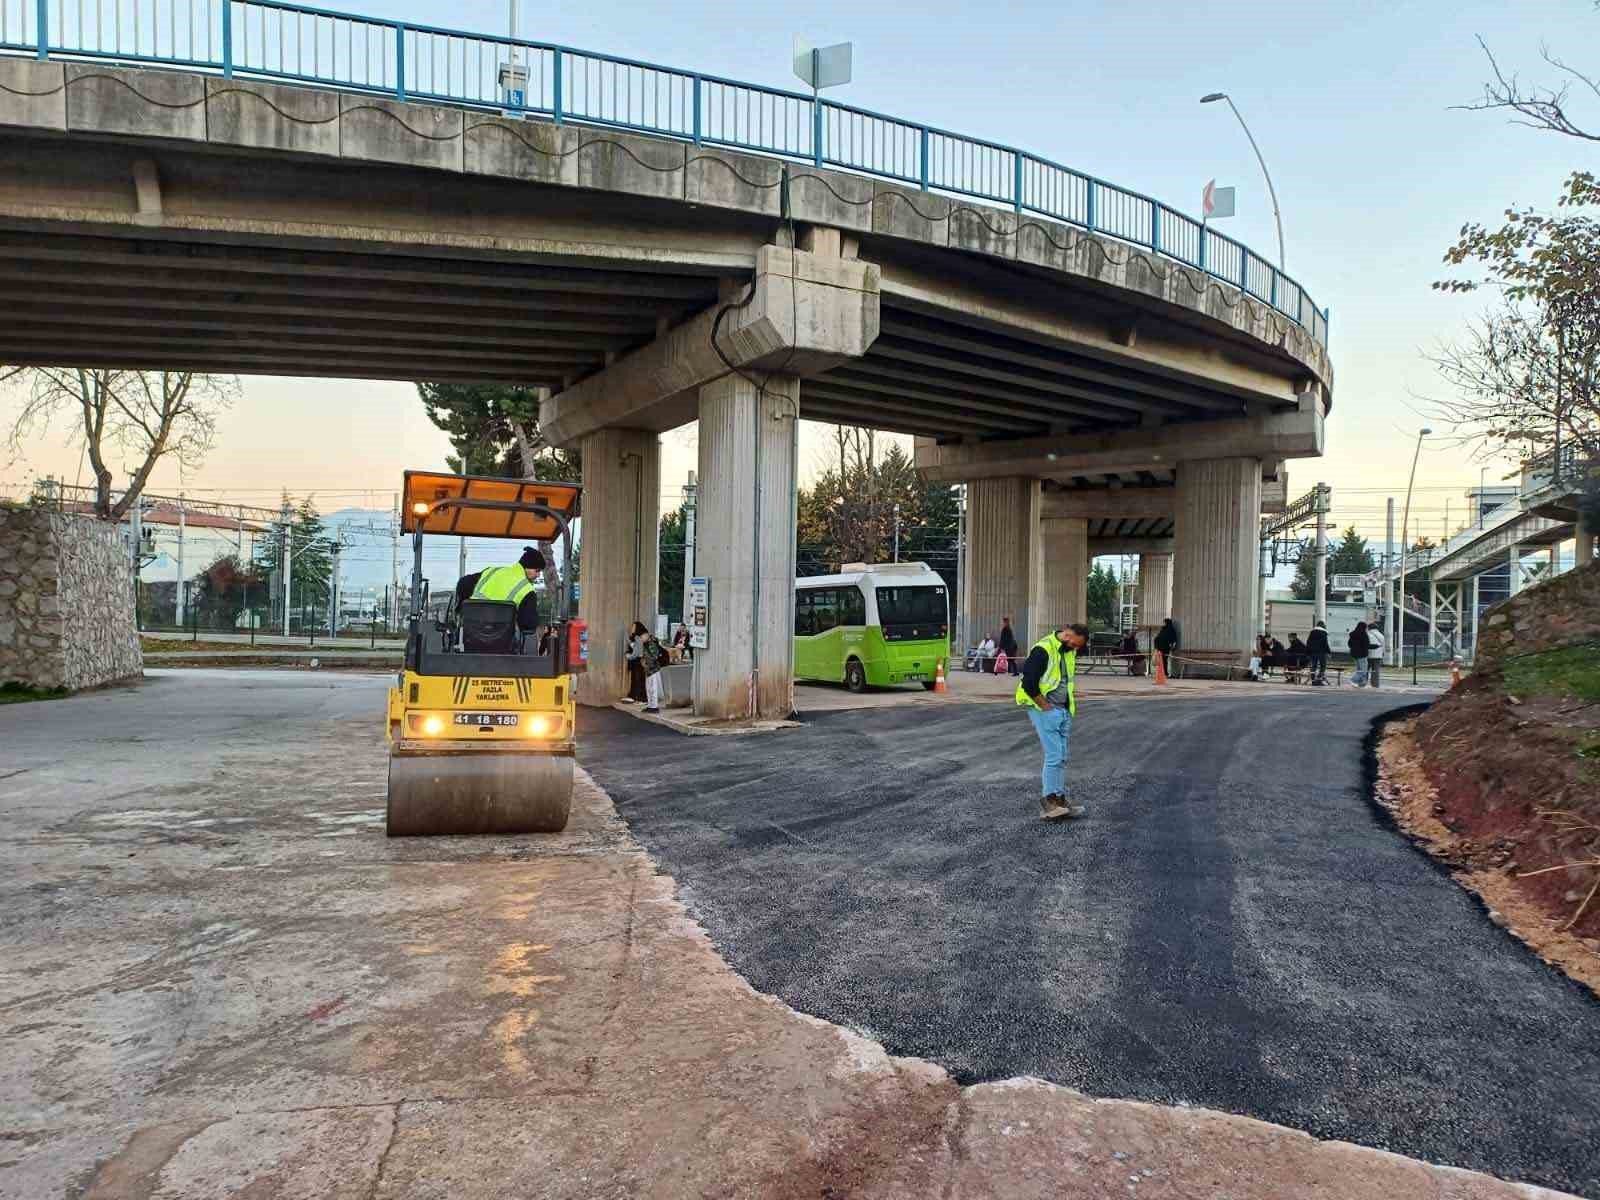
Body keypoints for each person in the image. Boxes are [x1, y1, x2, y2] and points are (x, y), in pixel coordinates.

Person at [1017, 623, 1091, 821]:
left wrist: (1065, 708)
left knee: (1061, 756)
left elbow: (1065, 680)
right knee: (1054, 756)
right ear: (1067, 634)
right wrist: (1044, 706)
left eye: (1078, 646)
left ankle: (1059, 801)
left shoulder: (1067, 651)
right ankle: (1049, 803)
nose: (1075, 649)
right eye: (1075, 644)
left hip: (1063, 710)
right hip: (1046, 710)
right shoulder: (1043, 649)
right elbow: (1028, 682)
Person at [453, 546, 545, 649]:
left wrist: (460, 607)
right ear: (527, 567)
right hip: (503, 644)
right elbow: (528, 625)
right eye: (537, 570)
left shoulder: (492, 571)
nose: (538, 575)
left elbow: (463, 582)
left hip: (470, 638)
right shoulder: (527, 590)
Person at [642, 630, 669, 713]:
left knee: (653, 688)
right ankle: (650, 705)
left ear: (646, 635)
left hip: (653, 669)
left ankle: (654, 707)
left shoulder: (652, 644)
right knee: (648, 688)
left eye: (642, 637)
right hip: (648, 669)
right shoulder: (645, 644)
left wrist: (645, 662)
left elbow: (654, 656)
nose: (641, 639)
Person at [625, 621, 648, 703]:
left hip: (638, 661)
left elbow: (637, 652)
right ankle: (636, 696)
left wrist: (629, 656)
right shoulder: (635, 637)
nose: (632, 628)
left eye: (633, 627)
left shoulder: (638, 638)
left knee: (638, 679)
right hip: (637, 662)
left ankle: (639, 697)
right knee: (636, 679)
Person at [1306, 620, 1331, 686]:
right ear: (1323, 625)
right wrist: (1328, 652)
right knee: (1323, 666)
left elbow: (1308, 642)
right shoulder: (1323, 633)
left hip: (1313, 652)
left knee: (1313, 666)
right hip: (1321, 652)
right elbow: (1325, 643)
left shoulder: (1312, 632)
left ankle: (1313, 680)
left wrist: (1308, 652)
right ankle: (1319, 679)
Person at [1348, 621, 1370, 686]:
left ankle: (1361, 684)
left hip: (1354, 655)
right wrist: (1375, 646)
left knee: (1359, 670)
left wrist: (1355, 648)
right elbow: (1366, 645)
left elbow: (1349, 644)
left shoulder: (1353, 634)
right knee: (1363, 671)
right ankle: (1353, 680)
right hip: (1362, 655)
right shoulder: (1364, 635)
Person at [1365, 623, 1386, 688]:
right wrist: (1382, 654)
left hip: (1367, 655)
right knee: (1376, 671)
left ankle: (1363, 683)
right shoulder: (1381, 635)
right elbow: (1383, 646)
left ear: (1369, 628)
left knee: (1365, 670)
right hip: (1378, 656)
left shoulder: (1366, 634)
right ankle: (1375, 685)